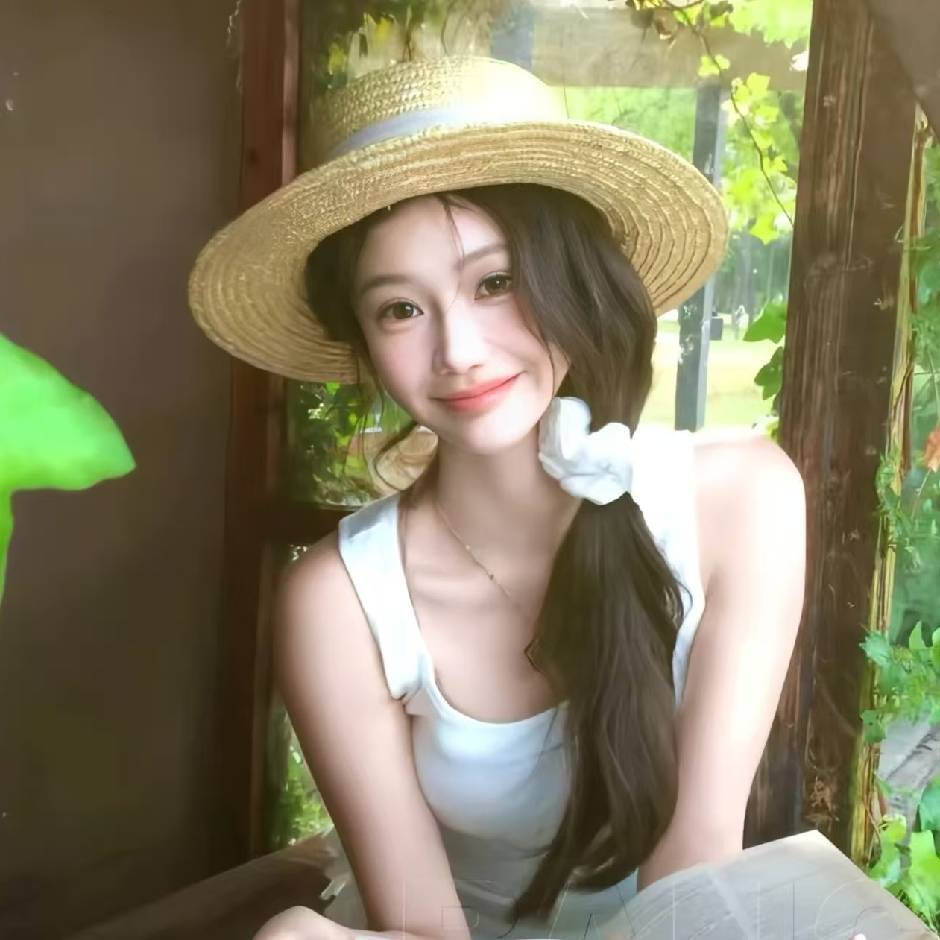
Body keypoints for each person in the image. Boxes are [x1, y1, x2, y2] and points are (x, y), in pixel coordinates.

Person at [188, 56, 807, 940]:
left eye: (494, 282)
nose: (459, 351)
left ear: (572, 276)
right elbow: (422, 925)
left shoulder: (741, 501)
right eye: (401, 309)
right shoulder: (340, 600)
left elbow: (693, 866)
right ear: (364, 341)